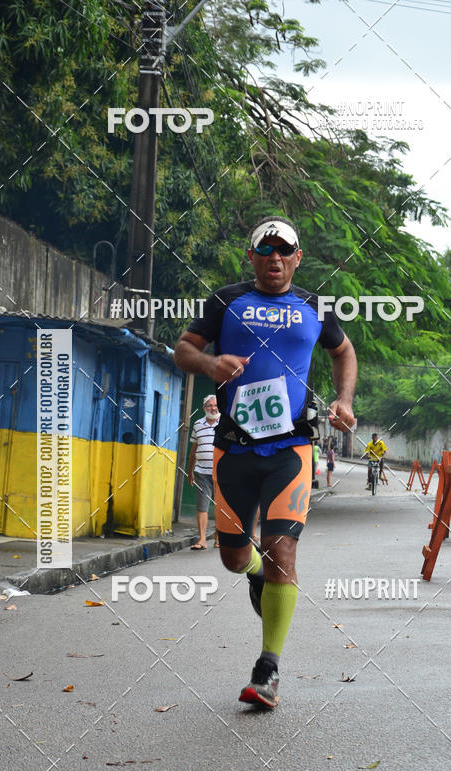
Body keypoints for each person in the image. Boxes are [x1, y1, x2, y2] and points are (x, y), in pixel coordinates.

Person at [174, 215, 357, 708]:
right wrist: (212, 364)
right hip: (233, 448)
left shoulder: (314, 307)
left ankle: (268, 669)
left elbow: (344, 353)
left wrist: (343, 400)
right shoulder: (226, 301)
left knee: (284, 553)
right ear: (250, 257)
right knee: (234, 559)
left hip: (291, 450)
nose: (274, 258)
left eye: (285, 250)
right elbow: (183, 349)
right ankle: (255, 572)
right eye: (265, 250)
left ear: (297, 258)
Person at [187, 395, 220, 549]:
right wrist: (190, 470)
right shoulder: (197, 424)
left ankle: (218, 538)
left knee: (220, 507)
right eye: (209, 405)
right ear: (204, 408)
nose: (213, 408)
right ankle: (202, 540)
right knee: (202, 506)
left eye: (215, 405)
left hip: (221, 473)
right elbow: (194, 450)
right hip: (201, 472)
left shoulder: (226, 424)